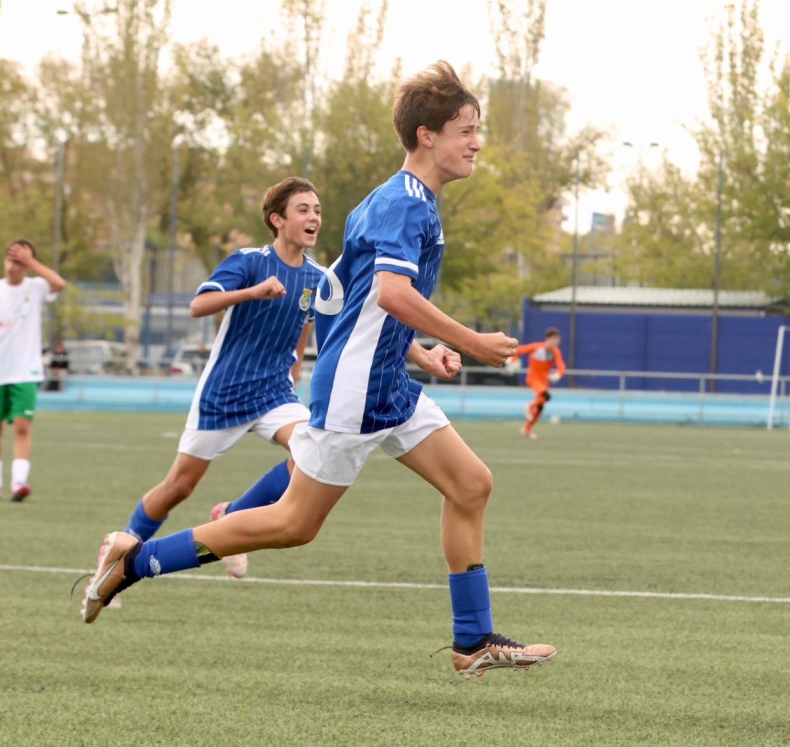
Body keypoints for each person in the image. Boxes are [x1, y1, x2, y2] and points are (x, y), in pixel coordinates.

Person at [79, 61, 556, 680]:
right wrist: (470, 341)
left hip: (389, 384)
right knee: (294, 525)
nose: (477, 141)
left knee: (472, 484)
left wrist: (418, 352)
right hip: (357, 394)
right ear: (426, 136)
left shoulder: (404, 204)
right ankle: (133, 562)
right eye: (466, 129)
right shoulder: (403, 206)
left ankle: (473, 640)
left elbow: (343, 299)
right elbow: (388, 295)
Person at [116, 176, 325, 583]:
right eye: (304, 209)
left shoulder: (317, 279)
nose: (313, 217)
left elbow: (302, 333)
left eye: (317, 210)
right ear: (277, 219)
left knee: (312, 452)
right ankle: (121, 553)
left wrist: (295, 375)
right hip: (225, 394)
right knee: (179, 486)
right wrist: (252, 292)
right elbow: (199, 305)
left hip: (274, 394)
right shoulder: (249, 262)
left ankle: (233, 518)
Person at [0, 239, 66, 501]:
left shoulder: (37, 287)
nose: (12, 266)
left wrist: (31, 261)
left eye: (18, 262)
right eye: (10, 259)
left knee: (21, 426)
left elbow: (59, 284)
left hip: (25, 371)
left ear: (27, 266)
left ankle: (19, 483)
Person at [512, 327, 566, 439]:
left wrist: (558, 374)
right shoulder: (536, 347)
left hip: (543, 381)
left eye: (558, 340)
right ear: (549, 339)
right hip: (533, 378)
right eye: (555, 339)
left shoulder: (556, 352)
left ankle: (527, 429)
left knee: (540, 407)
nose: (557, 342)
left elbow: (561, 366)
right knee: (546, 396)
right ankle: (529, 406)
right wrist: (514, 361)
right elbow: (519, 350)